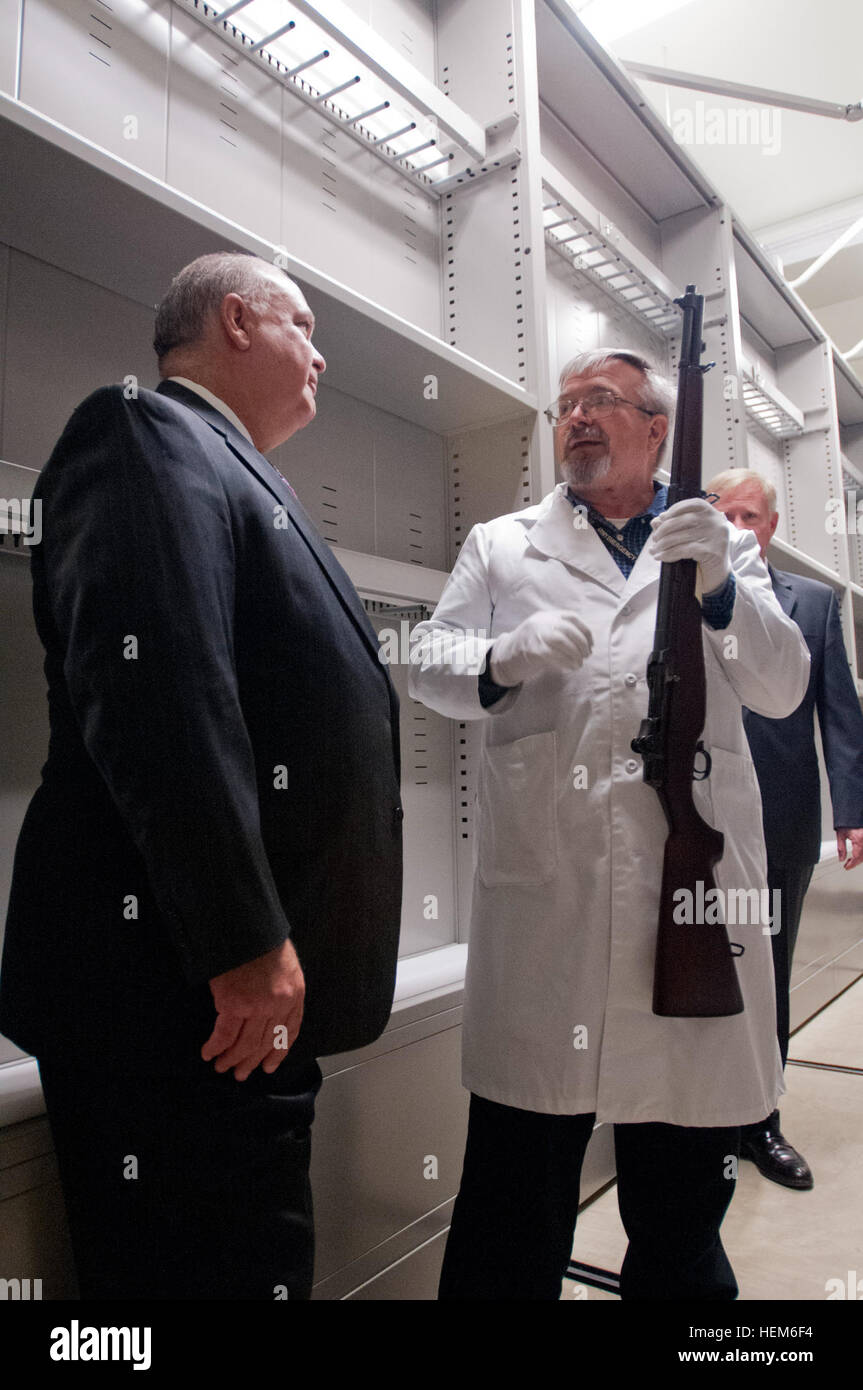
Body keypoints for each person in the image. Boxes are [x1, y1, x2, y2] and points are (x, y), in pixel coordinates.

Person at [0, 251, 403, 1299]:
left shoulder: (236, 473)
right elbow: (161, 692)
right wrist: (242, 940)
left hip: (226, 1009)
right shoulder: (142, 429)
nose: (319, 354)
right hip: (178, 999)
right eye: (303, 326)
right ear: (234, 318)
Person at [408, 349, 810, 1300]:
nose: (577, 418)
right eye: (565, 406)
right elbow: (424, 658)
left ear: (657, 426)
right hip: (552, 901)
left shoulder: (722, 544)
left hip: (692, 901)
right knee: (514, 1203)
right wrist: (499, 656)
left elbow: (783, 686)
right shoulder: (504, 542)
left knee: (679, 1216)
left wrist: (718, 587)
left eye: (601, 402)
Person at [708, 468, 863, 1190]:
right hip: (693, 821)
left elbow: (840, 715)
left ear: (769, 527)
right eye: (722, 512)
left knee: (766, 970)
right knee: (698, 968)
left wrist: (852, 813)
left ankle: (759, 1121)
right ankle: (696, 1123)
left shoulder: (813, 602)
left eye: (748, 515)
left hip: (781, 820)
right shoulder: (683, 589)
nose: (735, 526)